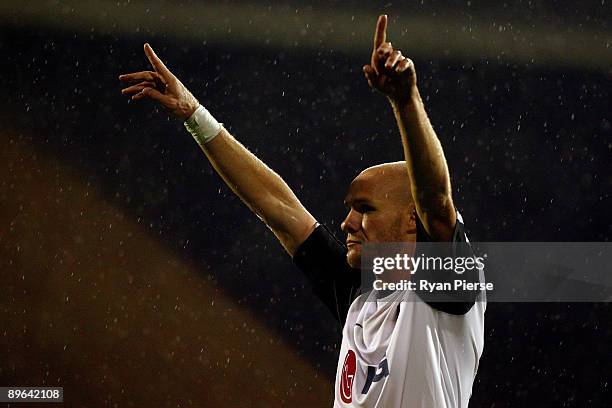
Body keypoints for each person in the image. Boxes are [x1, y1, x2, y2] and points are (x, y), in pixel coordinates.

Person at [120, 14, 485, 408]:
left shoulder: (445, 290)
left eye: (365, 209)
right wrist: (195, 116)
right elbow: (280, 210)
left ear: (412, 219)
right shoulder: (360, 298)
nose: (347, 222)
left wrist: (405, 101)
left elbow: (435, 198)